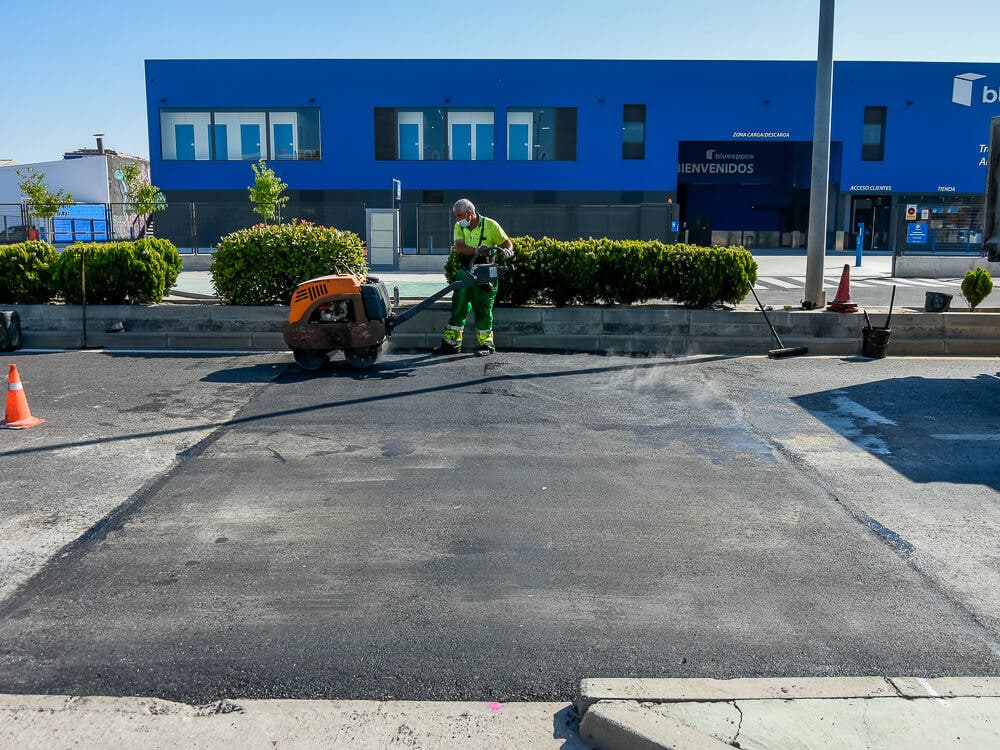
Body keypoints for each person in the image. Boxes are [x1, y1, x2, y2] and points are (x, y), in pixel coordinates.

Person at [432, 199, 514, 356]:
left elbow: (507, 243)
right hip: (466, 271)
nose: (458, 220)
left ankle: (487, 345)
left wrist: (508, 251)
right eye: (456, 216)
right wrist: (478, 250)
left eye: (459, 216)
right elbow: (460, 247)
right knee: (459, 307)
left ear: (470, 213)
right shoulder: (459, 226)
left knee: (483, 308)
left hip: (485, 274)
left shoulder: (491, 225)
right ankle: (451, 344)